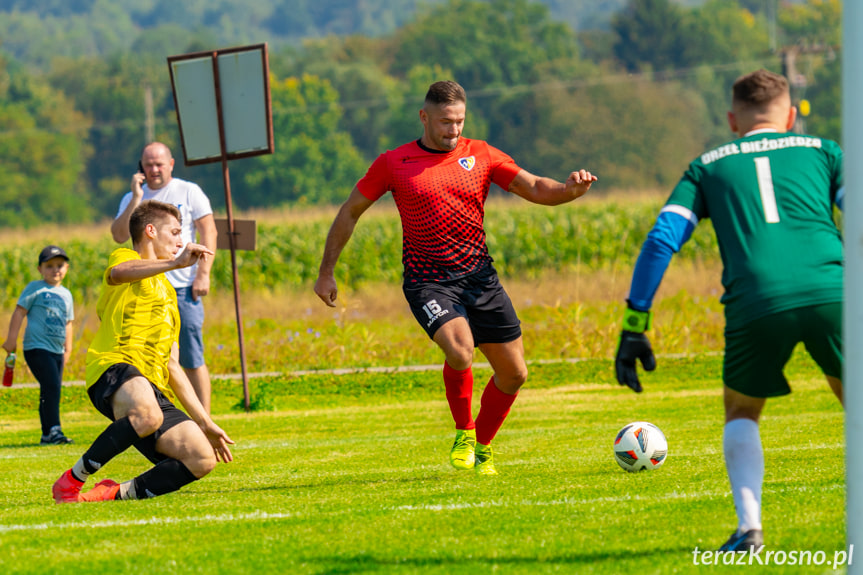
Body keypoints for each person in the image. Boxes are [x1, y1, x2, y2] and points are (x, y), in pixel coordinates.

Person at [314, 80, 597, 475]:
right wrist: (326, 272)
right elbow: (350, 211)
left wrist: (568, 191)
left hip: (480, 278)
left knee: (515, 374)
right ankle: (464, 432)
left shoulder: (480, 154)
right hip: (428, 281)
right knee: (460, 349)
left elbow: (533, 186)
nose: (454, 130)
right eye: (446, 122)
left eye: (460, 122)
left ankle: (483, 446)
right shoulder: (394, 163)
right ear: (424, 117)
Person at [614, 69, 843, 552]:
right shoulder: (824, 151)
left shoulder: (708, 165)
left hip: (756, 299)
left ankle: (750, 529)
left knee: (741, 410)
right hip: (833, 290)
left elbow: (661, 240)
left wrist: (635, 321)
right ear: (790, 115)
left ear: (732, 119)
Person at [53, 200, 233, 503]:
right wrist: (175, 264)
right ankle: (71, 481)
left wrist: (205, 422)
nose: (181, 240)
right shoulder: (126, 257)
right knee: (147, 415)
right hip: (115, 367)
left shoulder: (169, 297)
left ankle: (109, 495)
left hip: (152, 388)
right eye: (175, 232)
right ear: (150, 230)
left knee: (202, 458)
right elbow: (120, 273)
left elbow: (173, 367)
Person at [111, 142, 217, 413]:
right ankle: (157, 413)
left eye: (159, 163)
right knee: (149, 356)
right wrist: (136, 198)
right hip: (144, 288)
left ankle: (204, 417)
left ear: (171, 164)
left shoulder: (189, 190)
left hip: (182, 286)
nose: (154, 169)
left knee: (191, 356)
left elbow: (209, 232)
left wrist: (202, 275)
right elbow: (119, 235)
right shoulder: (131, 197)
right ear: (141, 167)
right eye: (148, 164)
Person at [2, 245, 75, 445]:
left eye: (60, 265)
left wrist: (68, 349)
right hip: (36, 347)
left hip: (57, 350)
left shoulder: (67, 294)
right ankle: (54, 430)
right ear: (40, 269)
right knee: (52, 385)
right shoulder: (35, 288)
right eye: (49, 266)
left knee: (51, 388)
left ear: (66, 268)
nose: (55, 270)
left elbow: (68, 323)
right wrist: (11, 340)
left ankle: (47, 434)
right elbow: (19, 312)